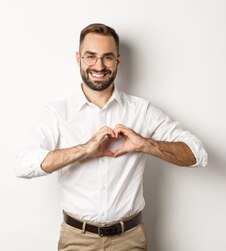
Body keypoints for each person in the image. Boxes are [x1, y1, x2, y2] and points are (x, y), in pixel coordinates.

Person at [14, 23, 208, 251]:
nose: (99, 65)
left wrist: (146, 145)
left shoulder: (141, 111)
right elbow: (22, 165)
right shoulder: (57, 112)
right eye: (90, 56)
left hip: (130, 240)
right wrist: (84, 149)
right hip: (77, 240)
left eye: (107, 57)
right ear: (78, 58)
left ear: (118, 59)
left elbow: (197, 154)